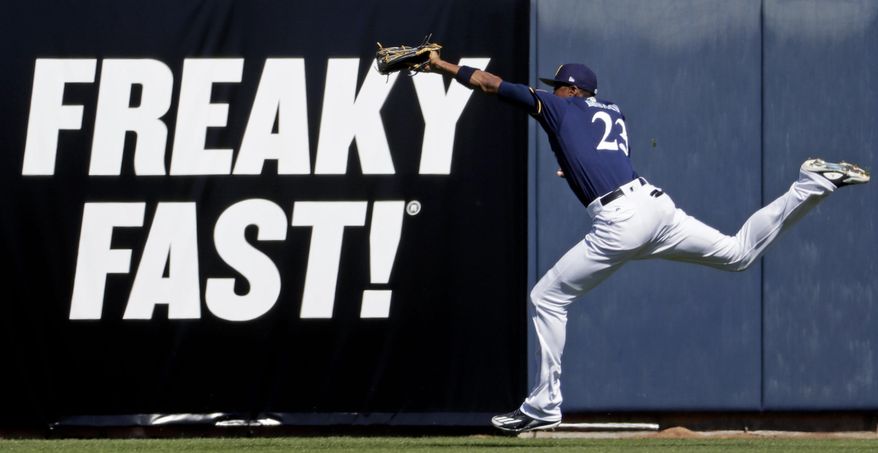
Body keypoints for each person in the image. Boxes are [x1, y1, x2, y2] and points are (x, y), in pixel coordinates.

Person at [424, 51, 871, 433]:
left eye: (560, 86)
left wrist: (440, 63)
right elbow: (596, 156)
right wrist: (575, 169)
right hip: (655, 205)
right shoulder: (613, 111)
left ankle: (543, 406)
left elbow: (488, 83)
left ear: (574, 91)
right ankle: (812, 184)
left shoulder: (560, 108)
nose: (554, 90)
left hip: (621, 218)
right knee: (738, 254)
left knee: (547, 297)